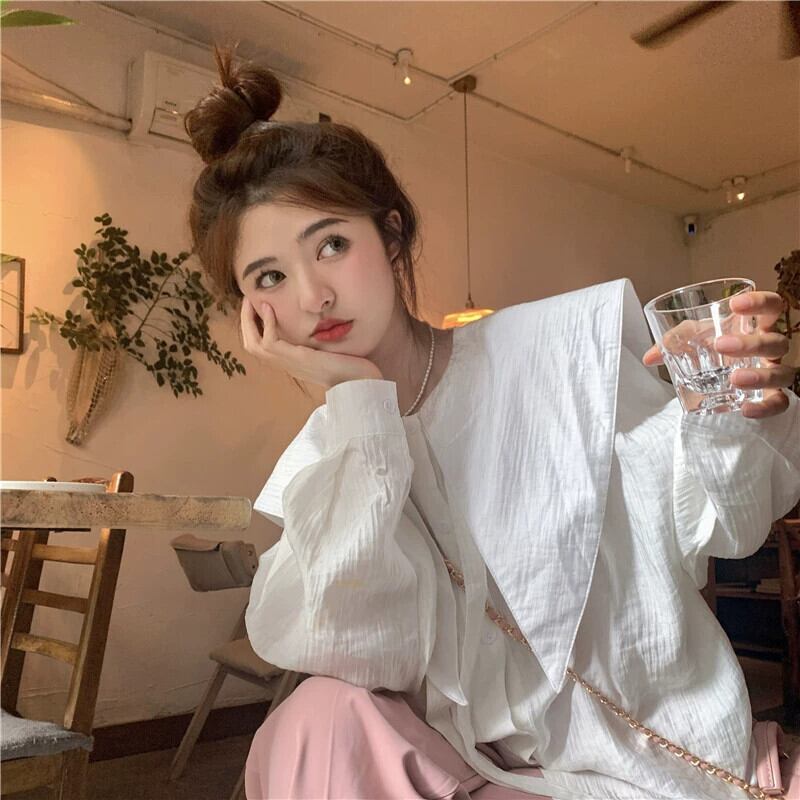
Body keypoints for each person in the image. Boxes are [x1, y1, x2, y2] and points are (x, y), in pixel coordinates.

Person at [184, 46, 800, 800]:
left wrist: (722, 411)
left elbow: (722, 524)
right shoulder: (329, 456)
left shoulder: (559, 348)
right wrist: (358, 406)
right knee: (312, 715)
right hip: (484, 774)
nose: (313, 297)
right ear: (252, 315)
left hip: (660, 758)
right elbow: (357, 650)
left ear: (391, 234)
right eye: (271, 277)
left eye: (333, 244)